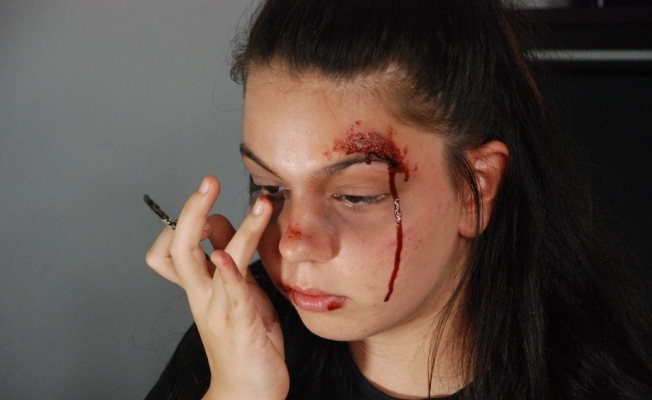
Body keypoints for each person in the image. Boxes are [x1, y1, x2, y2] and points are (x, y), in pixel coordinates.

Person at [144, 0, 652, 399]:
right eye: (269, 186)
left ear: (475, 189)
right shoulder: (236, 343)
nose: (293, 243)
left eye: (354, 195)